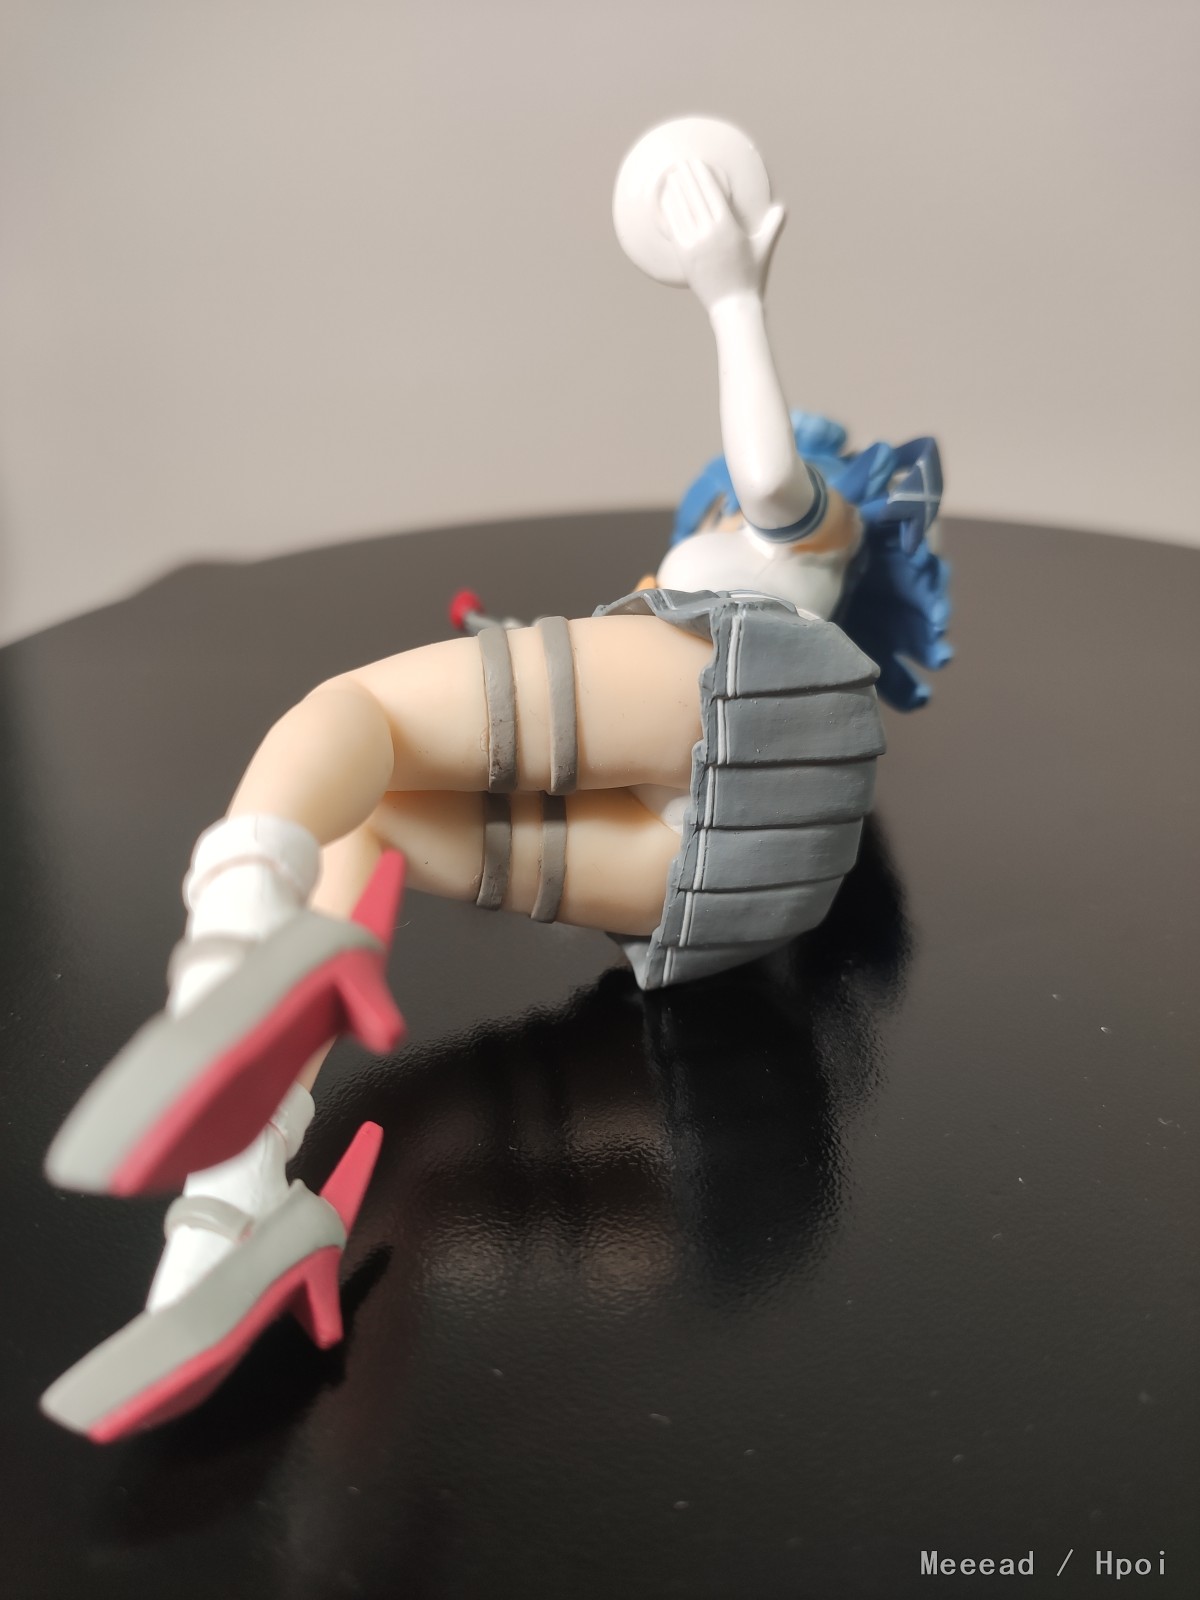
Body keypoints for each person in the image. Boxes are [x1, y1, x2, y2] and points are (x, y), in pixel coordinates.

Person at [40, 147, 945, 1440]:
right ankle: (238, 1214)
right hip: (720, 894)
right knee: (371, 823)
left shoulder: (790, 549)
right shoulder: (759, 614)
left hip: (728, 702)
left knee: (337, 722)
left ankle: (227, 971)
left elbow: (766, 481)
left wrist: (731, 294)